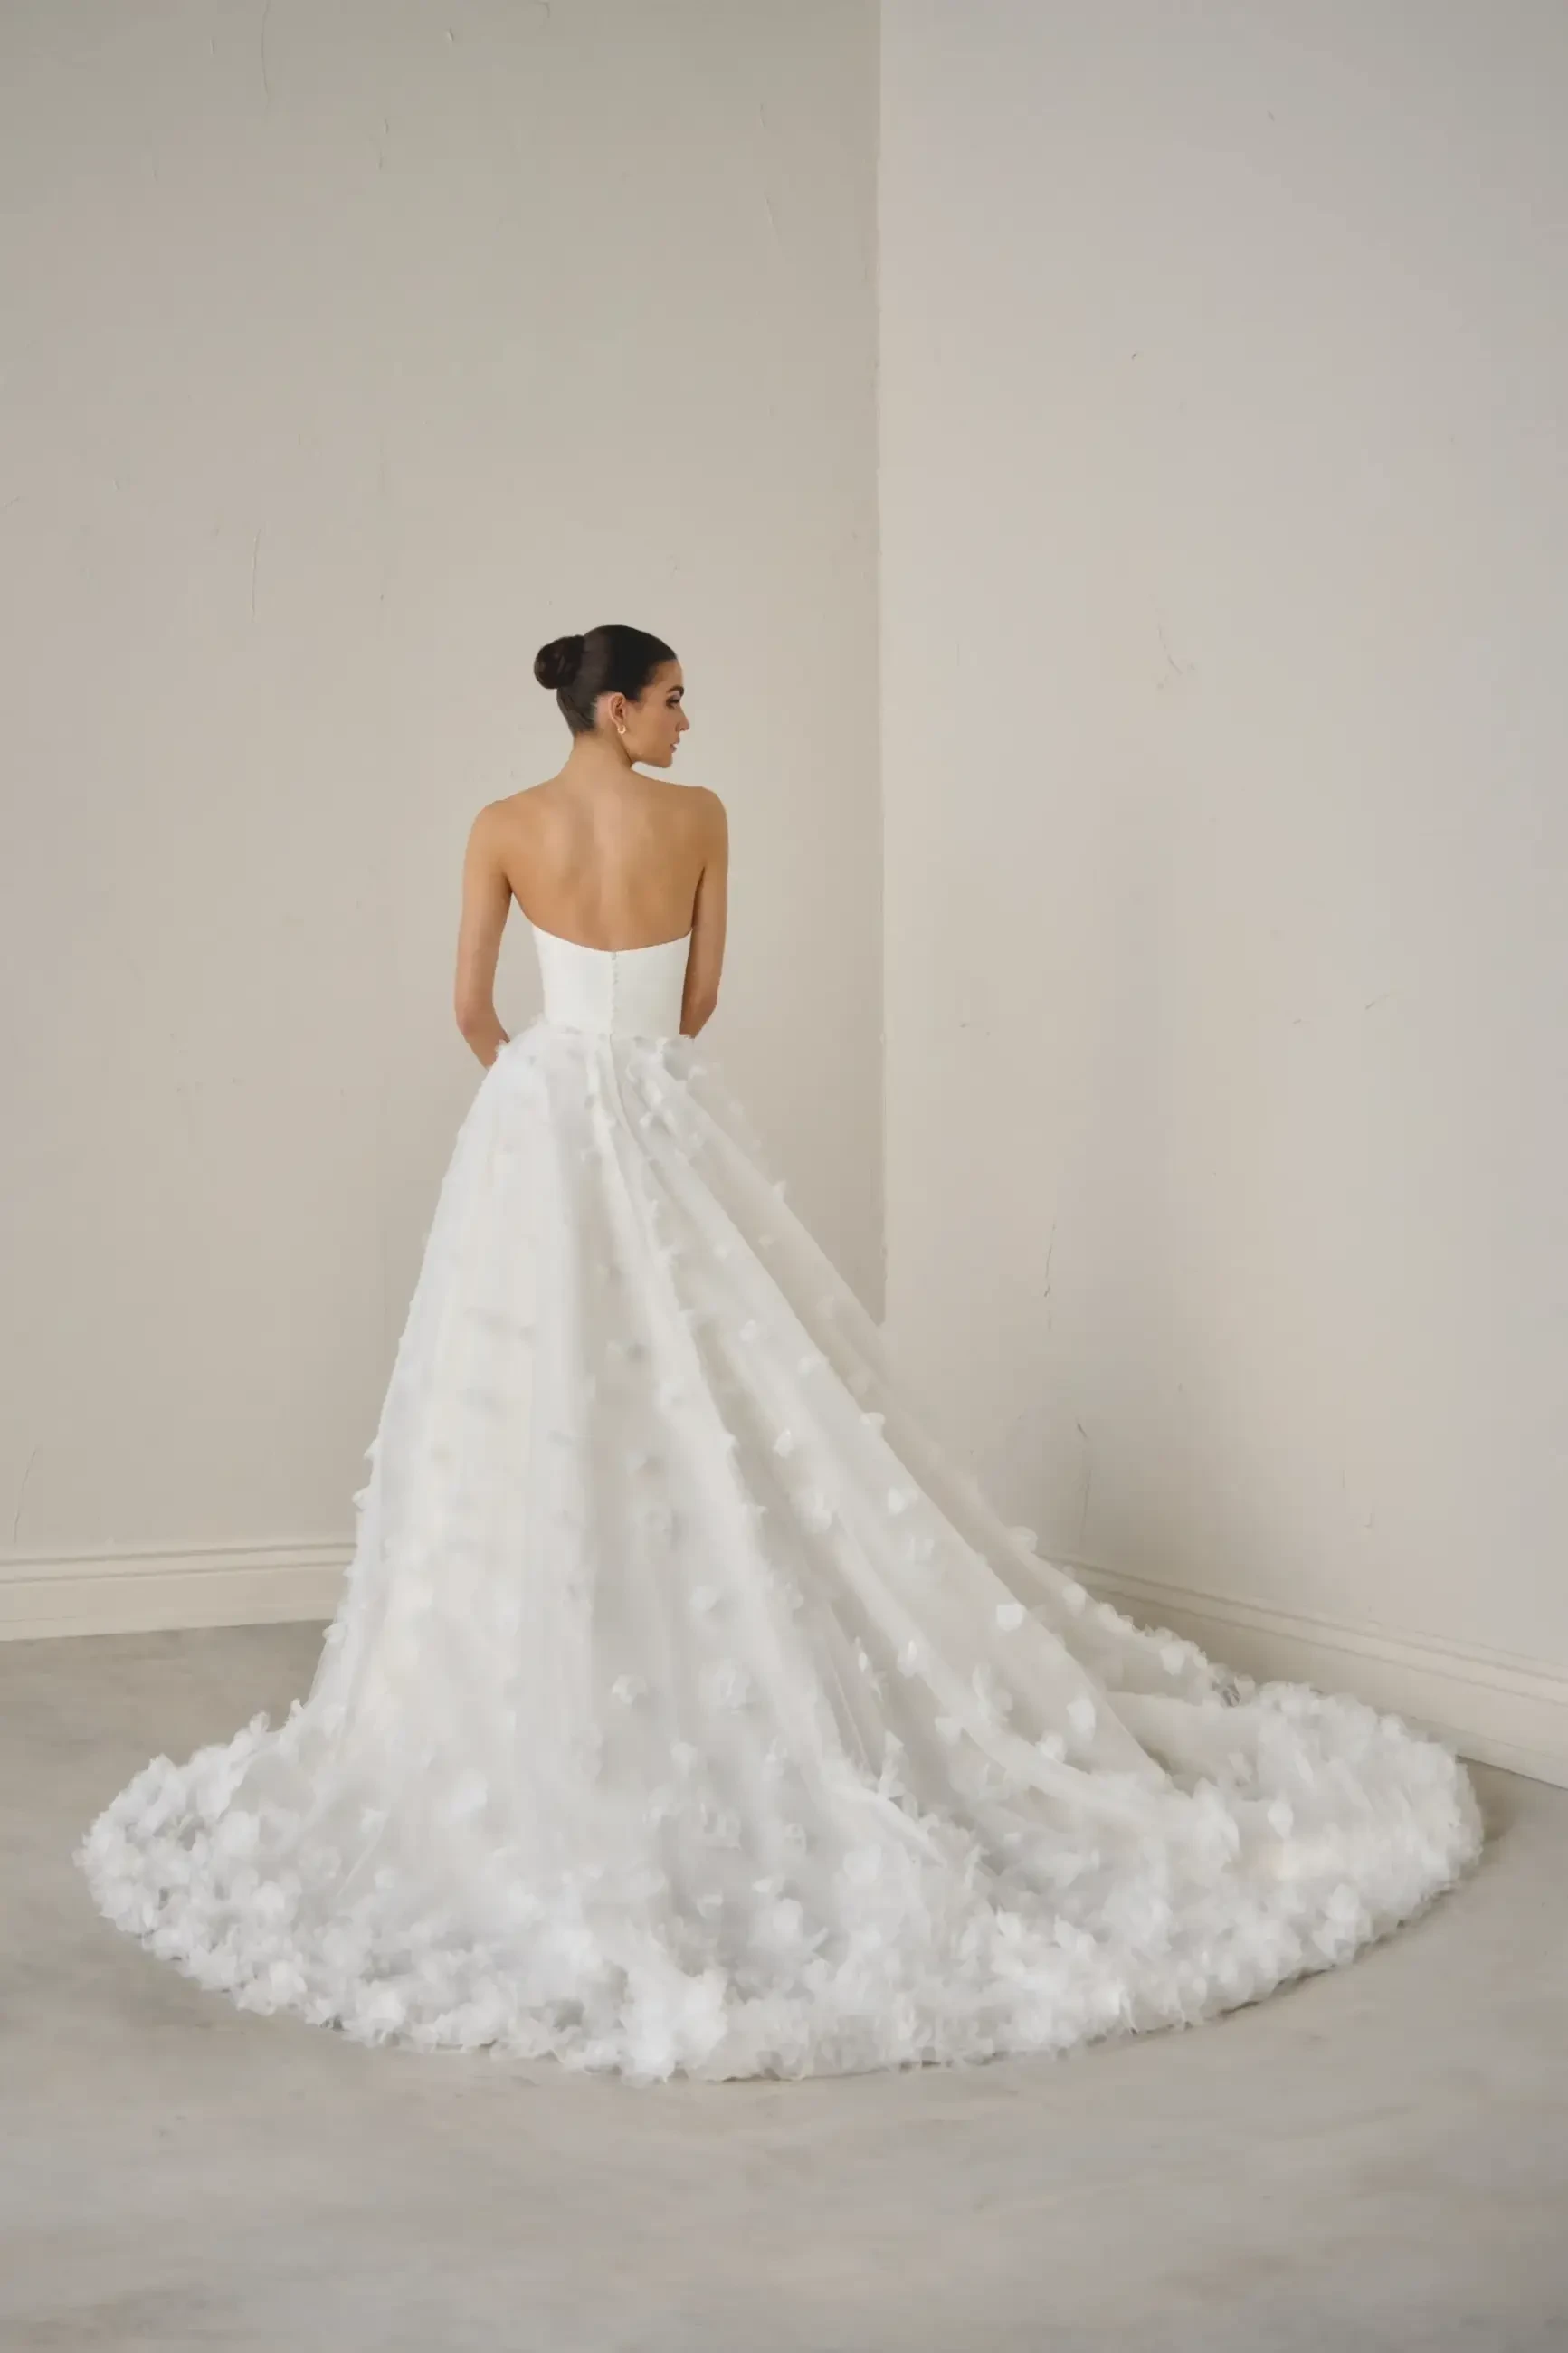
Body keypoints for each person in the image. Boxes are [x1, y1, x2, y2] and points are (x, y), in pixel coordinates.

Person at [77, 624, 1484, 2085]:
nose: (693, 721)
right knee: (729, 1389)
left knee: (534, 1404)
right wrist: (625, 1082)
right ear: (614, 709)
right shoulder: (700, 823)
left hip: (539, 1131)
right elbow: (693, 1009)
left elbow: (467, 1012)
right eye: (675, 700)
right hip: (664, 1124)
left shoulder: (503, 824)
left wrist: (551, 1099)